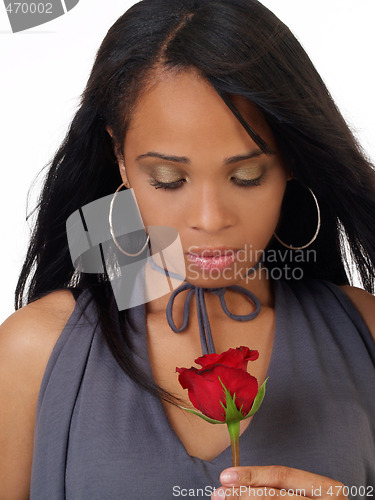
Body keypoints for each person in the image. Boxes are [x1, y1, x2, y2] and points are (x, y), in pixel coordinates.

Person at [1, 0, 374, 499]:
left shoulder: (365, 333)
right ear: (121, 160)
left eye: (246, 176)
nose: (210, 218)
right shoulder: (34, 352)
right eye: (169, 179)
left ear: (290, 161)